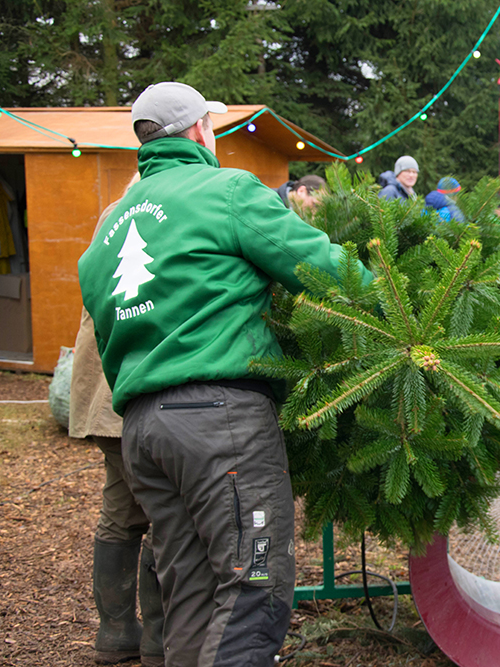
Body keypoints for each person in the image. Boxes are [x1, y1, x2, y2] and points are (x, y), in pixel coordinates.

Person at [78, 81, 373, 667]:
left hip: (142, 432)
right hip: (221, 425)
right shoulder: (227, 191)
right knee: (254, 585)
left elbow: (106, 330)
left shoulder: (109, 229)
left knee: (189, 594)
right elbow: (319, 266)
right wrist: (391, 292)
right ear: (198, 132)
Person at [70, 173, 164, 667]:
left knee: (122, 510)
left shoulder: (115, 217)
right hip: (132, 390)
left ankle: (118, 633)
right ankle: (157, 639)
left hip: (106, 395)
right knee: (166, 514)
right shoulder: (151, 220)